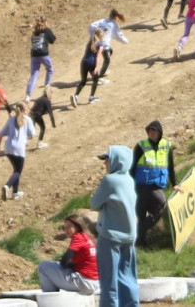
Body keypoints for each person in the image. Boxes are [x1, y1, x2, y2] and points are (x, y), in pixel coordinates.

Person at [91, 146, 139, 307]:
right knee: (127, 277)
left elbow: (94, 204)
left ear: (117, 161)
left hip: (110, 236)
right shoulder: (129, 180)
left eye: (108, 159)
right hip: (129, 236)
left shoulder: (109, 181)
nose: (105, 163)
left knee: (109, 281)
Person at [130, 120, 182, 247]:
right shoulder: (141, 146)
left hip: (156, 187)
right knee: (141, 214)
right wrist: (129, 184)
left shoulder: (167, 146)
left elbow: (170, 166)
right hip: (141, 186)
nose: (152, 133)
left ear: (160, 132)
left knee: (161, 209)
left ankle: (139, 232)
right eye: (150, 131)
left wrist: (174, 183)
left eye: (154, 131)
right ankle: (141, 241)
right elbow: (133, 167)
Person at [37, 214, 100, 295]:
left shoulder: (78, 237)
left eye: (69, 227)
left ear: (77, 226)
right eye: (65, 227)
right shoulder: (88, 237)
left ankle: (50, 297)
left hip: (84, 282)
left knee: (44, 266)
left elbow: (65, 261)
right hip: (94, 282)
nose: (66, 230)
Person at [0, 102, 36, 201]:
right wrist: (27, 140)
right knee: (18, 171)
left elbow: (0, 134)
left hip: (8, 147)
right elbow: (32, 135)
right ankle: (7, 186)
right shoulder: (27, 119)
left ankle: (15, 192)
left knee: (16, 170)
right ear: (24, 110)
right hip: (19, 148)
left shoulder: (10, 120)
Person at [89, 9, 129, 79]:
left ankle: (97, 71)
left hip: (96, 44)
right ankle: (100, 76)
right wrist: (125, 41)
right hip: (105, 46)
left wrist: (93, 36)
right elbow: (119, 36)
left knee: (110, 51)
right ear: (116, 17)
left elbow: (91, 26)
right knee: (107, 61)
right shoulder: (114, 25)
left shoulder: (102, 21)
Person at [72, 28, 106, 107]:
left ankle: (75, 96)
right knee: (95, 80)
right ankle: (91, 97)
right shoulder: (100, 45)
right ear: (100, 35)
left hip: (84, 62)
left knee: (83, 81)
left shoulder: (90, 42)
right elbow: (98, 57)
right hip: (92, 63)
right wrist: (97, 67)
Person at [26, 16, 56, 102]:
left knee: (34, 75)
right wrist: (48, 30)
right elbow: (52, 40)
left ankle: (28, 96)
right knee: (50, 69)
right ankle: (47, 87)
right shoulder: (47, 30)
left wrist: (34, 31)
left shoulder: (35, 32)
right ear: (45, 22)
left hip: (34, 55)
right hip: (43, 54)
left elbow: (33, 41)